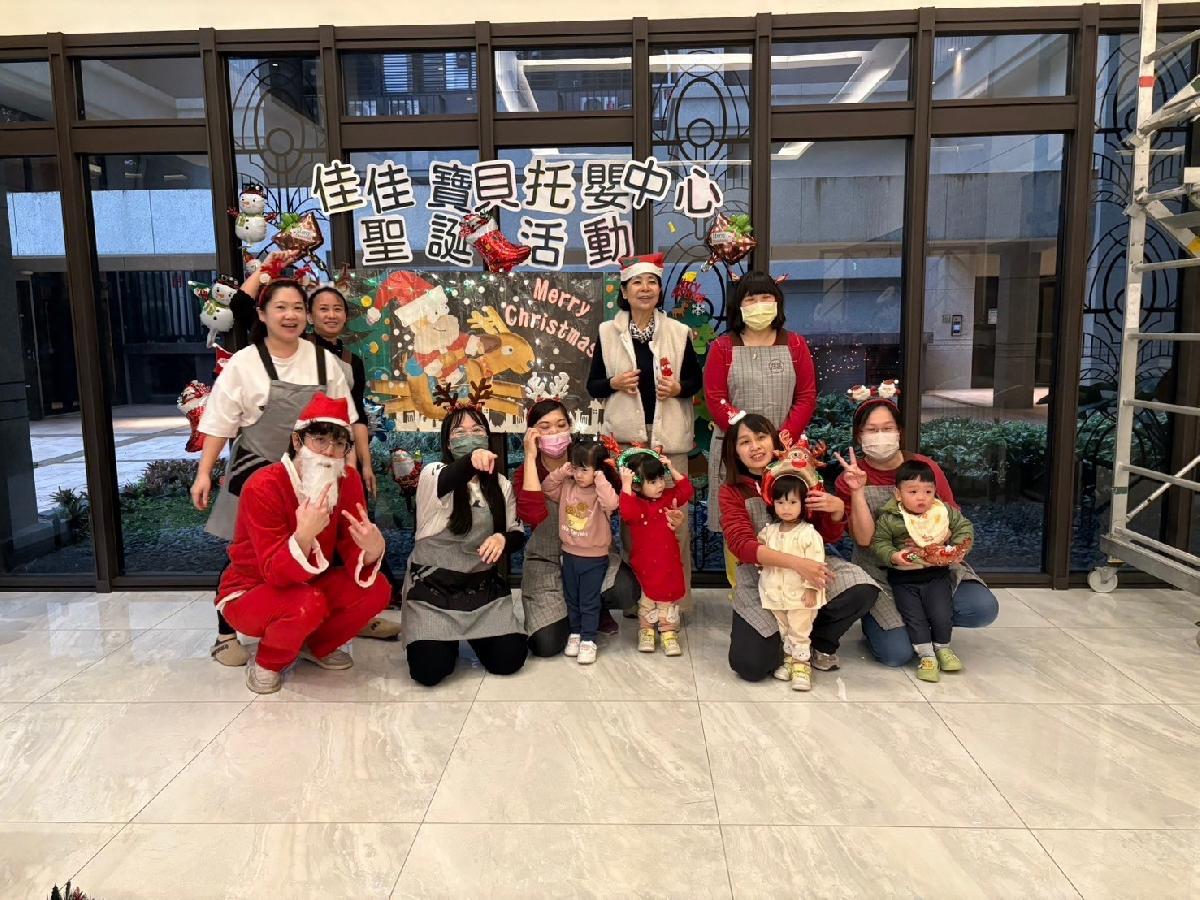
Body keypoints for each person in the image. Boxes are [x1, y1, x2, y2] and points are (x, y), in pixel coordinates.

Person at [191, 269, 356, 667]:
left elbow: (345, 423)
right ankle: (225, 634)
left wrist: (348, 471)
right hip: (255, 468)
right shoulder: (244, 363)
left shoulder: (325, 362)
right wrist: (204, 472)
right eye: (281, 307)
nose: (290, 315)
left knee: (313, 547)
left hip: (314, 473)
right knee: (242, 553)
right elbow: (219, 422)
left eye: (298, 308)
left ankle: (307, 633)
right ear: (262, 314)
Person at [216, 393, 389, 694]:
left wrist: (372, 550)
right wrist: (303, 537)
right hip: (250, 590)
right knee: (307, 603)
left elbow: (351, 542)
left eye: (339, 444)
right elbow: (272, 571)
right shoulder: (263, 485)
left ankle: (315, 646)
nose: (329, 452)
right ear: (297, 441)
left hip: (310, 585)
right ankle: (268, 662)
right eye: (320, 440)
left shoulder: (347, 480)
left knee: (378, 589)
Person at [833, 384, 999, 667]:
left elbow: (955, 517)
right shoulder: (849, 477)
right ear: (859, 436)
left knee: (981, 608)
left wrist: (936, 543)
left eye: (887, 428)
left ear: (899, 432)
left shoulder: (924, 467)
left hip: (933, 569)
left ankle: (926, 622)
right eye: (872, 430)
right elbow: (864, 540)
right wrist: (857, 491)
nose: (880, 436)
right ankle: (890, 624)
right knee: (896, 655)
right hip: (882, 572)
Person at [719, 413, 880, 681]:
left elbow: (827, 537)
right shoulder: (732, 490)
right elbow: (742, 545)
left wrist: (837, 511)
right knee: (750, 665)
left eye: (761, 437)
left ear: (774, 441)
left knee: (862, 589)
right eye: (745, 442)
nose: (755, 447)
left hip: (810, 567)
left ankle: (818, 641)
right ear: (734, 451)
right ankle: (789, 643)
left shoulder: (802, 476)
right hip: (761, 577)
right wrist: (797, 564)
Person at [588, 253, 702, 594]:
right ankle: (642, 601)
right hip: (627, 443)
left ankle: (676, 602)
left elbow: (695, 381)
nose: (645, 288)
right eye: (636, 282)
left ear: (659, 289)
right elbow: (593, 385)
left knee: (675, 521)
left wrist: (678, 388)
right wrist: (614, 382)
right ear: (624, 291)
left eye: (652, 282)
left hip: (669, 440)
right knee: (633, 523)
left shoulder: (678, 332)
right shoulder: (607, 332)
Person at [703, 272, 817, 588]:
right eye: (750, 299)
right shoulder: (723, 347)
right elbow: (715, 397)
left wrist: (782, 438)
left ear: (777, 303)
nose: (758, 305)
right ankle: (741, 593)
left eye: (765, 297)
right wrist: (747, 438)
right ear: (738, 306)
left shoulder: (795, 344)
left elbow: (806, 395)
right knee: (738, 525)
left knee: (787, 517)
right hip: (736, 450)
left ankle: (790, 591)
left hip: (784, 450)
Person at [402, 405, 528, 686]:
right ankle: (441, 639)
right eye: (459, 432)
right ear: (448, 443)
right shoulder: (433, 474)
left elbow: (517, 533)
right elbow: (452, 477)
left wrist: (502, 539)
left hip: (481, 589)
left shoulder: (501, 485)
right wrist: (471, 460)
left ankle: (475, 634)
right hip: (433, 592)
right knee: (429, 671)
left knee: (509, 659)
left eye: (477, 430)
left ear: (487, 438)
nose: (469, 436)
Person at [302, 283, 401, 641]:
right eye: (323, 308)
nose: (331, 315)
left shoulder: (350, 359)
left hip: (341, 455)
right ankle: (309, 613)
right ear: (309, 315)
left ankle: (357, 611)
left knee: (351, 528)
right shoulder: (298, 352)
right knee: (312, 529)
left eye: (338, 309)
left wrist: (364, 464)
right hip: (305, 456)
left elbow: (356, 415)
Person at [871, 459, 975, 683]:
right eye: (913, 491)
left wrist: (957, 548)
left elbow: (964, 526)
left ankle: (943, 648)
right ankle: (926, 656)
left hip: (936, 575)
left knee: (942, 613)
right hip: (903, 579)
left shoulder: (942, 511)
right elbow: (879, 543)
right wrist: (893, 556)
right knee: (914, 617)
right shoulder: (890, 517)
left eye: (928, 491)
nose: (922, 497)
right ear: (898, 494)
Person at [537, 437, 621, 665]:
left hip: (594, 558)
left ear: (597, 470)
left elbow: (612, 504)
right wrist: (561, 472)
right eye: (575, 468)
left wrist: (601, 478)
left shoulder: (600, 492)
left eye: (584, 469)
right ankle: (575, 633)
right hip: (569, 554)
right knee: (572, 598)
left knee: (589, 600)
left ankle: (589, 639)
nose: (578, 474)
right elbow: (546, 487)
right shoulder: (567, 486)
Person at [618, 448, 694, 657]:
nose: (660, 485)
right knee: (647, 599)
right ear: (637, 485)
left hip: (667, 562)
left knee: (667, 598)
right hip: (644, 563)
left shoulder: (668, 498)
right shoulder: (636, 503)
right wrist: (626, 485)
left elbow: (686, 491)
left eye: (661, 478)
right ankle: (646, 631)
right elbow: (628, 513)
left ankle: (668, 632)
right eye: (653, 481)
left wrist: (672, 469)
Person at [757, 472, 828, 692]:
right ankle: (789, 659)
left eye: (792, 502)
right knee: (784, 628)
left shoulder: (809, 534)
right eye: (780, 502)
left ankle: (801, 666)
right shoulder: (769, 531)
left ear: (803, 504)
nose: (786, 508)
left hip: (800, 596)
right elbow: (759, 552)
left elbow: (816, 562)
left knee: (800, 630)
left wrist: (811, 588)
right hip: (774, 593)